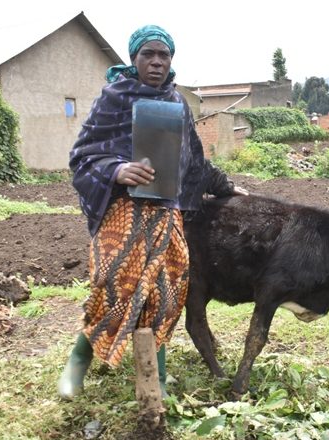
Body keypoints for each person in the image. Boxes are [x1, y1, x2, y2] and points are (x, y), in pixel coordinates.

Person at [59, 24, 247, 399]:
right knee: (116, 283)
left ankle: (155, 380)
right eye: (149, 54)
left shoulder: (177, 103)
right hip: (122, 210)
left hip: (165, 213)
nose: (157, 62)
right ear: (134, 59)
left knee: (165, 293)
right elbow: (82, 157)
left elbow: (193, 160)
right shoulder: (114, 98)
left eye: (164, 55)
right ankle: (77, 363)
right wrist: (117, 169)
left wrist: (226, 187)